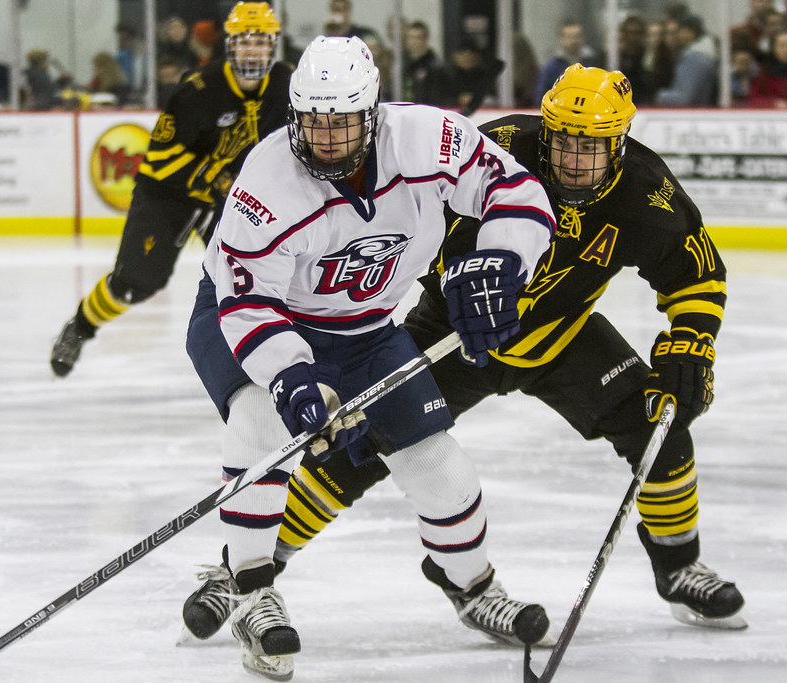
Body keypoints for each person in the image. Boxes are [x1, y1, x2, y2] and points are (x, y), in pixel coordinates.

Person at [182, 64, 747, 647]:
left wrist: (691, 347)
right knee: (357, 446)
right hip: (457, 330)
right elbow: (412, 222)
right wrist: (458, 274)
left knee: (660, 428)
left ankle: (679, 568)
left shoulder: (648, 194)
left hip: (561, 335)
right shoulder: (504, 144)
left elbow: (696, 276)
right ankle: (248, 568)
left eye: (591, 147)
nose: (573, 158)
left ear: (620, 143)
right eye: (562, 140)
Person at [181, 34, 557, 680]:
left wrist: (502, 256)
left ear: (373, 112)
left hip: (367, 332)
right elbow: (250, 303)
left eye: (342, 121)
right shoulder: (266, 182)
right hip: (251, 318)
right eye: (313, 121)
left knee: (439, 460)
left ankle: (473, 587)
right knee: (260, 422)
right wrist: (293, 380)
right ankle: (250, 589)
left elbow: (517, 192)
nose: (326, 137)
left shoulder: (427, 140)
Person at [50, 2, 293, 378]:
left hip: (229, 204)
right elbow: (158, 160)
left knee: (254, 280)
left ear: (273, 46)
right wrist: (214, 176)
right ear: (229, 45)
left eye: (260, 42)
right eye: (244, 41)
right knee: (135, 284)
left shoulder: (285, 86)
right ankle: (79, 327)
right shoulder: (198, 90)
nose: (252, 50)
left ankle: (261, 359)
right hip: (169, 197)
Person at [655, 14, 718, 106]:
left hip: (691, 116)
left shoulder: (694, 59)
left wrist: (660, 96)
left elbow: (685, 98)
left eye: (680, 31)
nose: (678, 36)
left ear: (690, 33)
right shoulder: (703, 56)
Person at [535, 20, 601, 102]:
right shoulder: (551, 67)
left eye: (577, 36)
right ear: (561, 39)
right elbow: (541, 95)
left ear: (583, 38)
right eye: (569, 37)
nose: (573, 41)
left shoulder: (594, 63)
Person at [747, 30, 787, 108]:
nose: (786, 49)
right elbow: (753, 99)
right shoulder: (766, 72)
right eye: (782, 45)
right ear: (775, 49)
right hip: (772, 117)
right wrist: (773, 103)